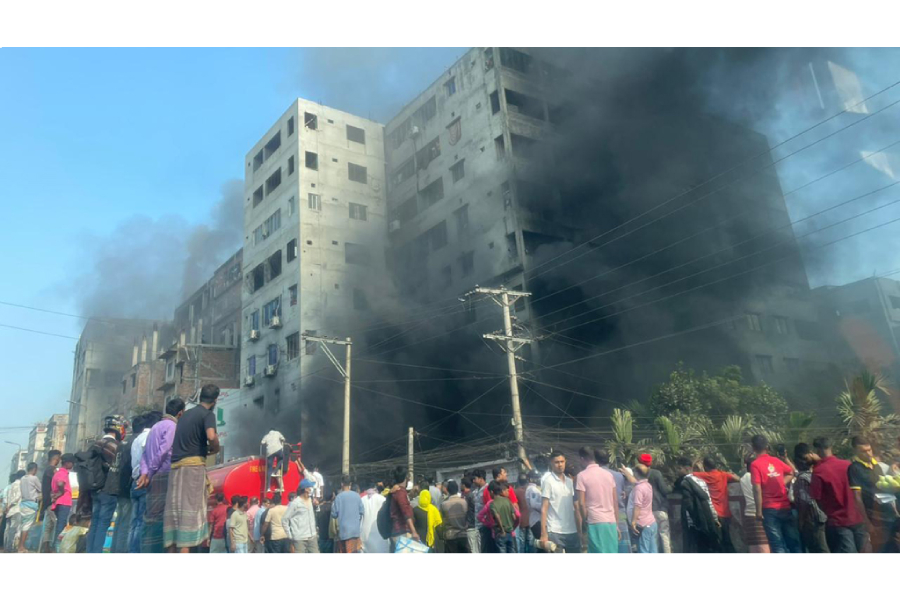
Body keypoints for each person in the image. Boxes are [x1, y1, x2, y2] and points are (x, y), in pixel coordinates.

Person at [163, 385, 220, 552]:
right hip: (192, 470)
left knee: (175, 520)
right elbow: (211, 436)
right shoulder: (208, 414)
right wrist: (215, 447)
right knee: (189, 520)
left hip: (175, 470)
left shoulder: (185, 415)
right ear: (215, 400)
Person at [136, 397, 184, 553]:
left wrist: (145, 473)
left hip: (152, 477)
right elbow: (163, 451)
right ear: (180, 413)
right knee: (161, 519)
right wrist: (149, 472)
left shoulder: (155, 427)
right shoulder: (172, 426)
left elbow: (145, 454)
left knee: (150, 517)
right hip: (164, 475)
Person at [807, 437, 868, 553]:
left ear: (817, 450)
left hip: (838, 521)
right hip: (858, 516)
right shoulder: (848, 465)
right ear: (831, 447)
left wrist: (828, 512)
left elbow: (817, 499)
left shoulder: (818, 471)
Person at [750, 434, 800, 553]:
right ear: (767, 447)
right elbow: (791, 472)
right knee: (793, 543)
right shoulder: (776, 460)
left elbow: (757, 489)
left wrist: (758, 511)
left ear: (753, 447)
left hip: (769, 509)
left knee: (777, 545)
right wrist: (781, 483)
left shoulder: (755, 464)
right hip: (785, 506)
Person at [86, 414, 124, 554]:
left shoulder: (95, 444)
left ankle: (90, 552)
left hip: (94, 489)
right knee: (103, 523)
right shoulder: (116, 446)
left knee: (95, 522)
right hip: (109, 490)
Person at [848, 435, 893, 551]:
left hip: (888, 514)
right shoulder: (854, 468)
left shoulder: (876, 466)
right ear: (855, 451)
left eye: (869, 450)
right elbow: (857, 497)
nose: (868, 454)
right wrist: (867, 523)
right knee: (881, 548)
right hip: (873, 517)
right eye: (863, 451)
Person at [575, 446, 619, 553]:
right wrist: (616, 524)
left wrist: (585, 520)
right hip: (611, 521)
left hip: (594, 521)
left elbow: (581, 503)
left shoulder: (582, 476)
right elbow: (615, 501)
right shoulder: (608, 475)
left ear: (582, 459)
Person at [692, 456, 740, 552]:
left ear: (705, 466)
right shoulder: (723, 475)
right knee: (727, 539)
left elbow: (689, 475)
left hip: (713, 514)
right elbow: (738, 479)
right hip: (726, 513)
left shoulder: (704, 476)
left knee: (717, 541)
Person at [128, 410, 161, 553]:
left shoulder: (137, 438)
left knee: (134, 522)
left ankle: (131, 551)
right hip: (145, 481)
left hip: (135, 481)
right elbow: (149, 459)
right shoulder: (150, 437)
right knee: (142, 522)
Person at [674, 457, 720, 552]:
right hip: (706, 520)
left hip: (693, 523)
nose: (677, 471)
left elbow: (688, 505)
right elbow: (708, 501)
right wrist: (715, 518)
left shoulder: (684, 483)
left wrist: (691, 521)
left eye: (679, 468)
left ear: (686, 468)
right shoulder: (701, 481)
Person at [792, 443, 829, 553]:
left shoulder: (802, 479)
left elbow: (806, 502)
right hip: (823, 516)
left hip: (812, 519)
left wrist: (801, 521)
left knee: (819, 549)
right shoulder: (816, 474)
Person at [540, 451, 580, 552]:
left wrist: (580, 529)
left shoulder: (570, 482)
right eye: (557, 462)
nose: (560, 465)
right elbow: (544, 509)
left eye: (562, 461)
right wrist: (543, 533)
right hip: (554, 530)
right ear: (551, 463)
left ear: (565, 462)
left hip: (572, 529)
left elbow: (575, 506)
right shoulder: (548, 481)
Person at [111, 415, 137, 553]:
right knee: (125, 524)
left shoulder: (123, 445)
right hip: (126, 490)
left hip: (120, 488)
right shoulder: (132, 444)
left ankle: (115, 550)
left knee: (120, 522)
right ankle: (120, 551)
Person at [596, 448, 631, 553]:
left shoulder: (593, 476)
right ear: (609, 460)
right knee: (622, 550)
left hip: (601, 518)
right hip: (620, 517)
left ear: (595, 460)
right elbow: (625, 492)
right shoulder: (619, 476)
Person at [638, 453, 672, 553]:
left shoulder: (637, 475)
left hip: (646, 513)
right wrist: (671, 487)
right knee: (664, 534)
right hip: (660, 509)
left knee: (653, 538)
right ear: (650, 462)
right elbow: (664, 490)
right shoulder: (656, 473)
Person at [739, 455, 770, 553]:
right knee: (765, 546)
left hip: (749, 515)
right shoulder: (757, 476)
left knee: (754, 547)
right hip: (760, 513)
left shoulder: (743, 478)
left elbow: (742, 499)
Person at [627, 463, 657, 553]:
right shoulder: (648, 485)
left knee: (643, 551)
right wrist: (625, 471)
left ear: (637, 473)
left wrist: (633, 522)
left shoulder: (639, 488)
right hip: (651, 522)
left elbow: (637, 506)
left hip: (642, 524)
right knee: (653, 550)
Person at [389, 466, 420, 551]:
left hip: (398, 530)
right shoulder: (400, 492)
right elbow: (406, 513)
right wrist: (414, 531)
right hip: (402, 531)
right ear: (406, 478)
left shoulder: (395, 491)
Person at [284, 479, 319, 553]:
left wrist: (316, 505)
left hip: (312, 536)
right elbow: (284, 520)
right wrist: (290, 536)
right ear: (306, 489)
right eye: (311, 487)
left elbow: (317, 511)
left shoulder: (311, 500)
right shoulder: (295, 503)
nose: (312, 489)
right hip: (300, 538)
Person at [331, 474, 364, 553]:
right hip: (355, 531)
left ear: (341, 484)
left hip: (344, 532)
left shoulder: (338, 497)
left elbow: (334, 514)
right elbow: (362, 511)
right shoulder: (357, 496)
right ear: (350, 484)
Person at [38, 449, 61, 553]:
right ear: (56, 459)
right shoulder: (52, 470)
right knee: (56, 523)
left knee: (49, 525)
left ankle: (46, 548)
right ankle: (54, 547)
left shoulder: (47, 470)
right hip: (52, 501)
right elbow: (57, 483)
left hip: (47, 501)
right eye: (59, 458)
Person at [487, 481, 517, 553]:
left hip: (501, 533)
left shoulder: (493, 504)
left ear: (491, 492)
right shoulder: (507, 500)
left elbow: (497, 517)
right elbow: (514, 516)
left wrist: (502, 530)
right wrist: (512, 527)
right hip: (510, 531)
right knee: (512, 551)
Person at [17, 462, 41, 552]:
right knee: (26, 527)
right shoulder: (34, 478)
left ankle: (20, 546)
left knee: (23, 526)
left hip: (23, 504)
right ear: (35, 469)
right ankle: (21, 547)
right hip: (31, 505)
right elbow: (41, 489)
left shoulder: (23, 478)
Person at [439, 480, 468, 553]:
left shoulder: (444, 504)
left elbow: (442, 520)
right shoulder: (464, 502)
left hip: (450, 536)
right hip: (463, 535)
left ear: (447, 490)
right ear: (457, 489)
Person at [360, 482, 388, 553]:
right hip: (379, 533)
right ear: (375, 488)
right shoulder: (382, 499)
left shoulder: (362, 499)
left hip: (365, 534)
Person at [3, 470, 25, 552]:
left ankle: (6, 547)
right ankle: (9, 548)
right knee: (13, 530)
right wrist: (10, 506)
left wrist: (7, 507)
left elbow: (6, 498)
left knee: (7, 530)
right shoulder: (20, 485)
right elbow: (17, 497)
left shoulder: (11, 485)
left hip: (9, 511)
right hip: (16, 509)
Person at [469, 469, 488, 552]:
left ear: (481, 478)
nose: (473, 481)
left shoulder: (487, 489)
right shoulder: (475, 492)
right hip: (478, 525)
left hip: (485, 525)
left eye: (475, 479)